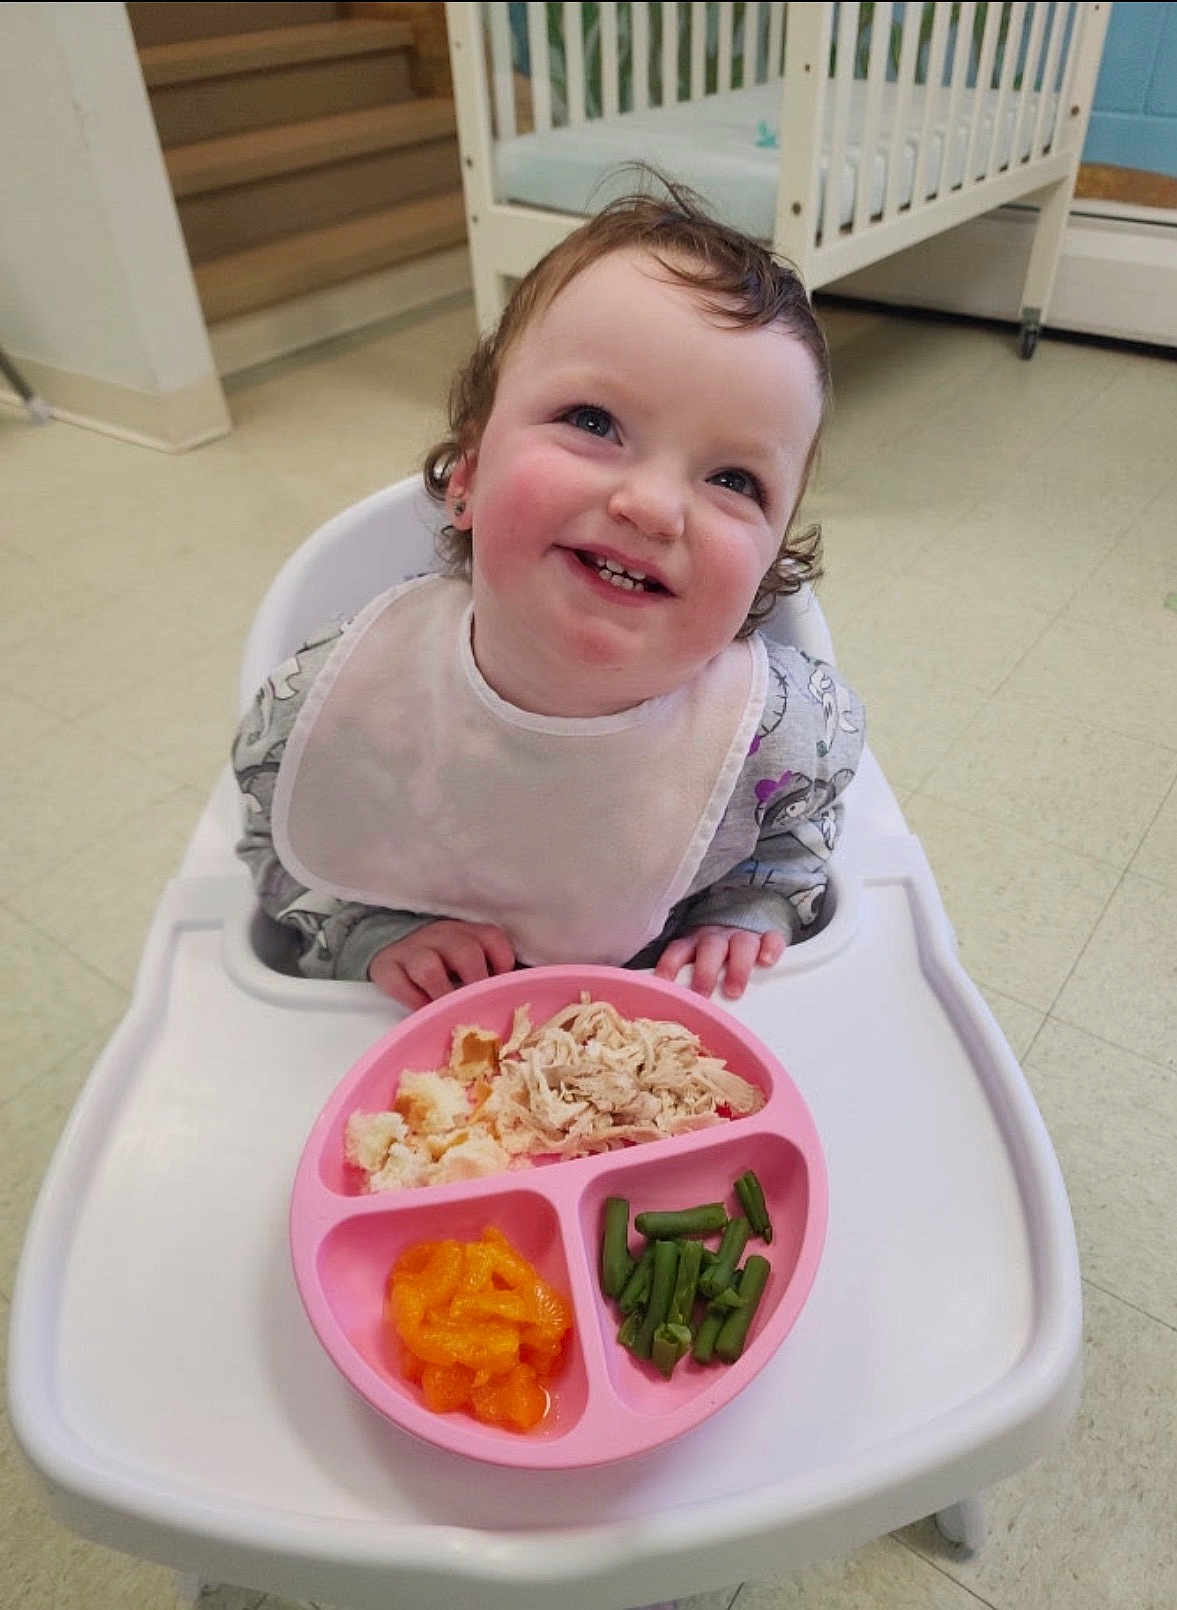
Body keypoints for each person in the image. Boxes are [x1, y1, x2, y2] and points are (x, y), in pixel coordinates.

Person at [232, 175, 864, 1012]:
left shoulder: (776, 735)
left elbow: (791, 845)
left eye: (732, 478)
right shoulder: (335, 697)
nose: (652, 506)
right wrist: (370, 932)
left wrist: (750, 909)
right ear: (467, 475)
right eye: (593, 421)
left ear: (766, 567)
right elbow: (281, 852)